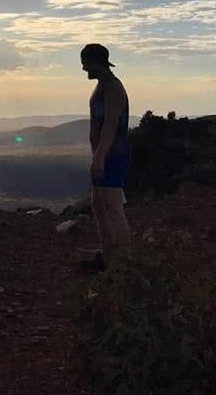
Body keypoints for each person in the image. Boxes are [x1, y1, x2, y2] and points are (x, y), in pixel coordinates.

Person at [81, 43, 132, 265]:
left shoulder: (113, 88)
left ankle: (123, 261)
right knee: (99, 204)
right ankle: (110, 254)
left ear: (95, 62)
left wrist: (100, 157)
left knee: (112, 205)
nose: (84, 69)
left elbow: (111, 124)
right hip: (104, 154)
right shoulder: (102, 85)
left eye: (85, 64)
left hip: (113, 155)